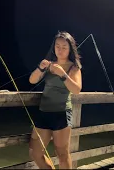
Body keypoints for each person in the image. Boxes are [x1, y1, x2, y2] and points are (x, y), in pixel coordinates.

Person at [28, 31, 82, 169]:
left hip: (62, 113)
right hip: (44, 111)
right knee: (35, 152)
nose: (60, 49)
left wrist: (63, 74)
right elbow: (32, 80)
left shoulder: (73, 67)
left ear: (70, 49)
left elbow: (76, 89)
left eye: (64, 47)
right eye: (57, 46)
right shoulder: (49, 65)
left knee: (62, 154)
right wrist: (41, 68)